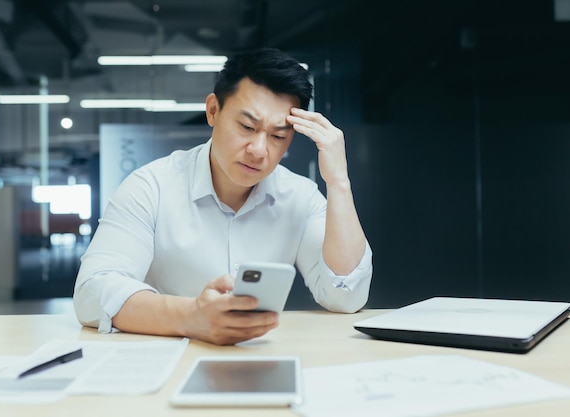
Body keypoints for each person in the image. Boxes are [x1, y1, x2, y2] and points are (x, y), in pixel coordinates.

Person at [73, 47, 373, 345]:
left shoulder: (300, 197)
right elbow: (92, 291)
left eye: (278, 136)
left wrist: (339, 182)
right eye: (246, 126)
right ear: (213, 110)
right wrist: (191, 317)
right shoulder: (151, 187)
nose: (259, 150)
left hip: (260, 362)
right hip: (165, 363)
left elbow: (345, 296)